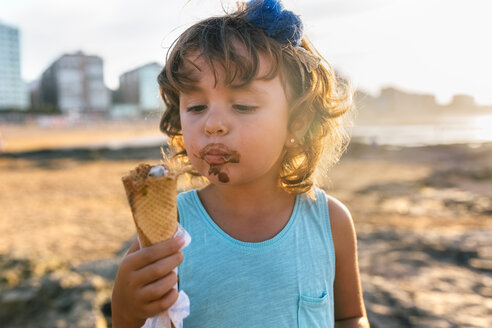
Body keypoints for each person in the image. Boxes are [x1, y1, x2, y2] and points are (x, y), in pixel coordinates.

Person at [111, 0, 369, 327]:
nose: (213, 124)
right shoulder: (170, 230)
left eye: (243, 105)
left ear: (298, 123)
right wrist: (124, 307)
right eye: (196, 106)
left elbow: (350, 316)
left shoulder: (329, 222)